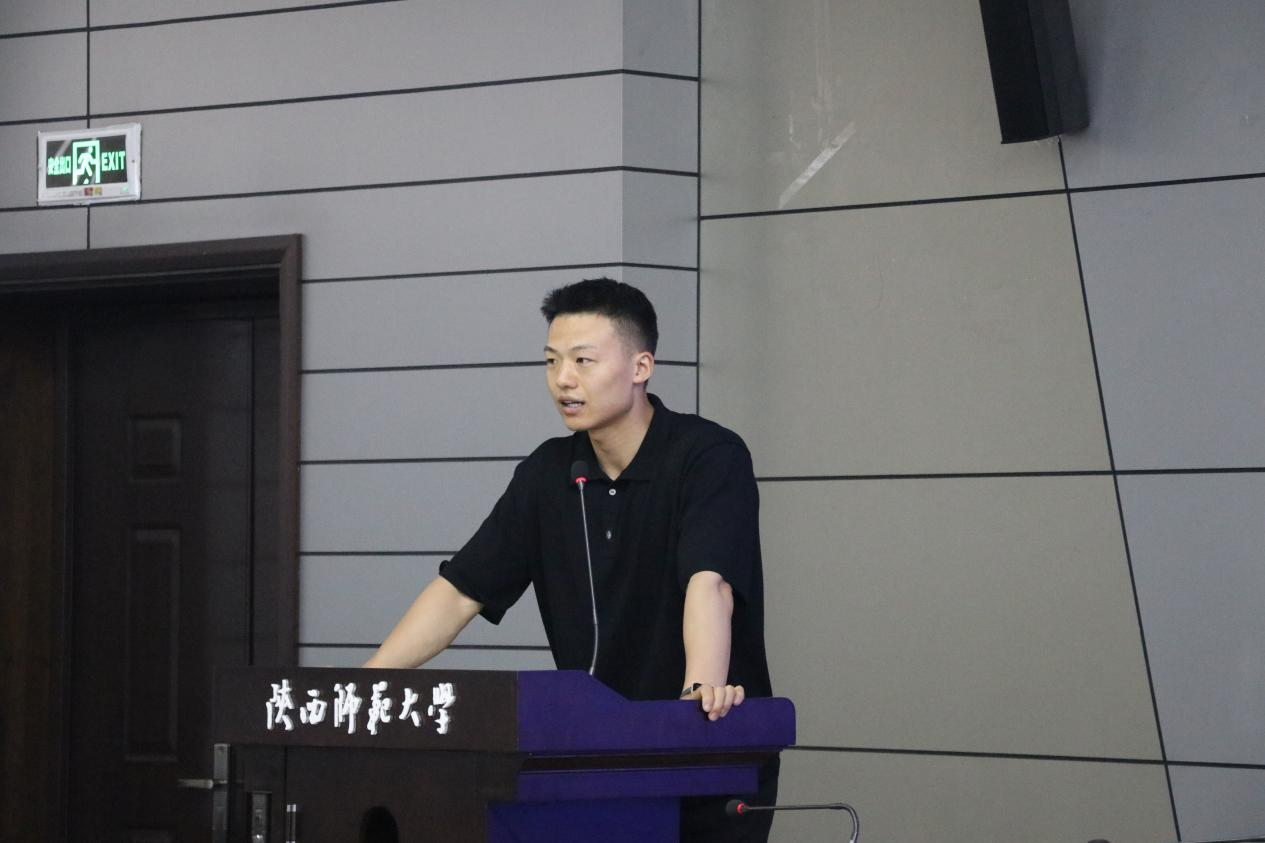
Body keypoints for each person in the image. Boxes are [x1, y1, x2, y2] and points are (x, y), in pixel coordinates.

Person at [365, 277, 776, 840]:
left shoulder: (707, 456)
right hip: (594, 755)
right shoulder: (548, 473)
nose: (563, 379)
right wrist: (367, 684)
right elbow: (462, 590)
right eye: (552, 361)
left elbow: (710, 584)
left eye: (583, 360)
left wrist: (694, 701)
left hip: (704, 755)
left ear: (641, 367)